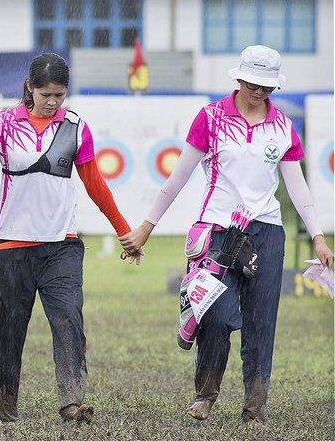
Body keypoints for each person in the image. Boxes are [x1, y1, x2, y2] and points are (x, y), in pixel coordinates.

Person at [120, 45, 334, 427]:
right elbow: (178, 177)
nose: (260, 91)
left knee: (261, 322)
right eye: (253, 83)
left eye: (268, 86)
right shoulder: (210, 118)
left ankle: (254, 408)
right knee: (215, 317)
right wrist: (147, 226)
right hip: (218, 231)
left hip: (267, 232)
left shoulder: (283, 126)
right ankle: (205, 394)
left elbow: (298, 188)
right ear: (239, 78)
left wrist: (317, 235)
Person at [0, 53, 140, 424]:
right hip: (10, 246)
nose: (52, 102)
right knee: (8, 330)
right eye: (46, 94)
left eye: (60, 95)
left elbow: (95, 184)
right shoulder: (4, 122)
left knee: (68, 319)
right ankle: (6, 405)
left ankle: (71, 403)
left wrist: (123, 230)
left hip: (61, 246)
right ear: (29, 88)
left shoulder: (76, 127)